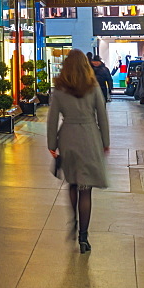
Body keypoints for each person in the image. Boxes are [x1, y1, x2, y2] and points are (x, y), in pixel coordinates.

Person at [47, 49, 109, 253]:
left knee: (72, 181)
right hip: (89, 136)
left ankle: (73, 220)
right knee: (86, 188)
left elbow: (53, 118)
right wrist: (105, 141)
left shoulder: (60, 89)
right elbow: (102, 115)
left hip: (68, 137)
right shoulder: (93, 87)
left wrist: (52, 144)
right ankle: (84, 237)